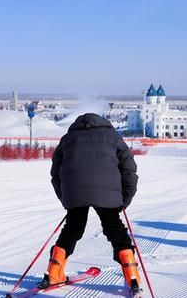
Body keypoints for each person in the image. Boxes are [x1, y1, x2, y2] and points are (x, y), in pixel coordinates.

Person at [41, 113, 141, 294]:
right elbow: (129, 168)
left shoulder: (68, 138)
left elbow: (55, 171)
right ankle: (132, 274)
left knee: (73, 228)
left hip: (74, 190)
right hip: (108, 191)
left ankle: (54, 273)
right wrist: (125, 198)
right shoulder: (113, 137)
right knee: (114, 228)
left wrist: (65, 197)